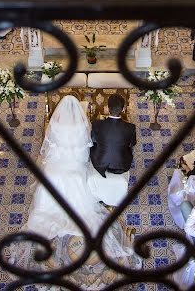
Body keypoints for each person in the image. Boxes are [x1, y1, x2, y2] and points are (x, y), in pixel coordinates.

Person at [23, 96, 135, 260]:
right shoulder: (86, 126)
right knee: (82, 169)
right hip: (78, 167)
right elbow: (86, 152)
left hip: (57, 165)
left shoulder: (55, 125)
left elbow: (49, 149)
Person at [90, 94, 136, 178]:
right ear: (122, 109)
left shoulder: (96, 124)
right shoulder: (131, 127)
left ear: (108, 108)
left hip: (99, 163)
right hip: (122, 165)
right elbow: (132, 144)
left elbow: (93, 140)